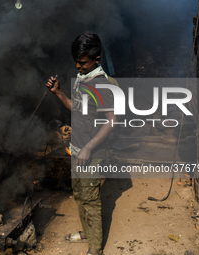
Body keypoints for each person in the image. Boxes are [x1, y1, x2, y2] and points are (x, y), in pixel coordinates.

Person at [46, 31, 117, 255]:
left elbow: (111, 122)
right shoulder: (83, 78)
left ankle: (95, 248)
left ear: (96, 60)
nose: (78, 66)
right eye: (76, 61)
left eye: (83, 63)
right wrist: (58, 93)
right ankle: (89, 232)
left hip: (91, 152)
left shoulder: (101, 85)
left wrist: (87, 147)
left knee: (90, 199)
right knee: (80, 195)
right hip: (78, 150)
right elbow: (78, 109)